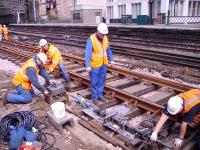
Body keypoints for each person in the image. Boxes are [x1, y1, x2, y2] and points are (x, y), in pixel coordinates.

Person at [85, 23, 114, 103]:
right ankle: (95, 98)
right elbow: (87, 53)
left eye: (104, 34)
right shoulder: (91, 39)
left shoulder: (105, 38)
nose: (103, 35)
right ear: (98, 31)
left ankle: (100, 96)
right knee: (95, 82)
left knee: (102, 80)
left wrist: (111, 60)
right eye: (102, 33)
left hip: (104, 64)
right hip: (94, 65)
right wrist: (87, 65)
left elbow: (108, 50)